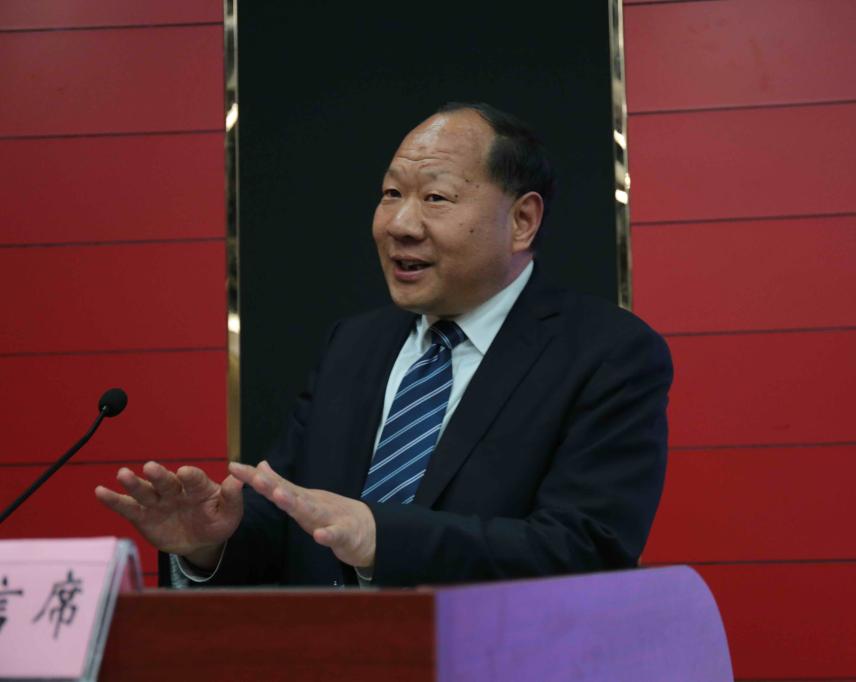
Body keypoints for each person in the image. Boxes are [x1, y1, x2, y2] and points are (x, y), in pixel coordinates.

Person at [96, 102, 673, 587]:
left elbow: (584, 550)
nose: (400, 224)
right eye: (391, 193)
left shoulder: (607, 353)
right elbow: (292, 523)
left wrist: (382, 538)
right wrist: (209, 545)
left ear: (522, 221)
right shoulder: (354, 345)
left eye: (435, 198)